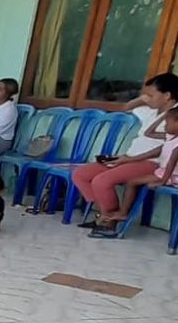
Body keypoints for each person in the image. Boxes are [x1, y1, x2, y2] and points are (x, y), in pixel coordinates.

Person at [73, 73, 178, 225]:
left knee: (101, 181)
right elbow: (126, 107)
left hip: (150, 162)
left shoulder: (174, 117)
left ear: (167, 95)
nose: (146, 98)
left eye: (151, 95)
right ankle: (105, 213)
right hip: (129, 157)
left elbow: (165, 147)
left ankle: (108, 221)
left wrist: (130, 159)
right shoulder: (152, 111)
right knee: (81, 174)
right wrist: (140, 99)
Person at [92, 106, 178, 236]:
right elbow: (149, 133)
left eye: (168, 122)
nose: (165, 125)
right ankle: (122, 213)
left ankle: (123, 213)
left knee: (132, 182)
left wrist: (162, 181)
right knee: (132, 182)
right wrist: (163, 116)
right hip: (163, 171)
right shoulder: (169, 137)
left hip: (171, 174)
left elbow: (171, 164)